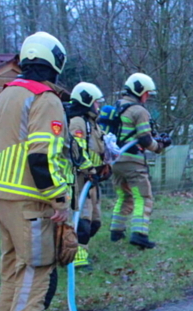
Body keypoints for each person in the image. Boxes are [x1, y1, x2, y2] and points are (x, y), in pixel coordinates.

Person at [0, 31, 72, 311]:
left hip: (0, 196)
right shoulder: (45, 99)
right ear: (56, 62)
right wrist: (58, 199)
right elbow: (41, 157)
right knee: (37, 269)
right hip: (29, 201)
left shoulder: (8, 94)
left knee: (12, 268)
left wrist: (2, 183)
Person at [108, 72, 168, 249]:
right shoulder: (139, 111)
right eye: (147, 93)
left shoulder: (118, 106)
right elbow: (144, 139)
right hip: (132, 161)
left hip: (115, 160)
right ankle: (140, 234)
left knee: (124, 196)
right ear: (139, 90)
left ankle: (116, 232)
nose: (147, 97)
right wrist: (159, 146)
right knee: (143, 197)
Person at [67, 82, 108, 271]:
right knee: (82, 221)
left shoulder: (93, 124)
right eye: (96, 103)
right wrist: (90, 170)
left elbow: (98, 148)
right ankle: (77, 259)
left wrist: (105, 164)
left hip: (92, 181)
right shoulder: (77, 122)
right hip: (80, 179)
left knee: (95, 221)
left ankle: (75, 251)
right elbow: (77, 151)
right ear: (86, 102)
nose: (98, 107)